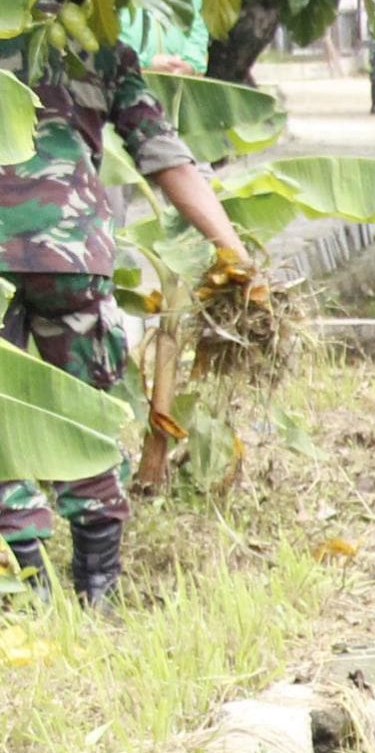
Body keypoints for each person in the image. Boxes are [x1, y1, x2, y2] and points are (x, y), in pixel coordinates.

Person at [3, 35, 251, 603]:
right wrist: (233, 251)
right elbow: (163, 155)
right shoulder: (93, 46)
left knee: (1, 420)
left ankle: (24, 589)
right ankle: (97, 589)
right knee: (84, 414)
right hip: (70, 255)